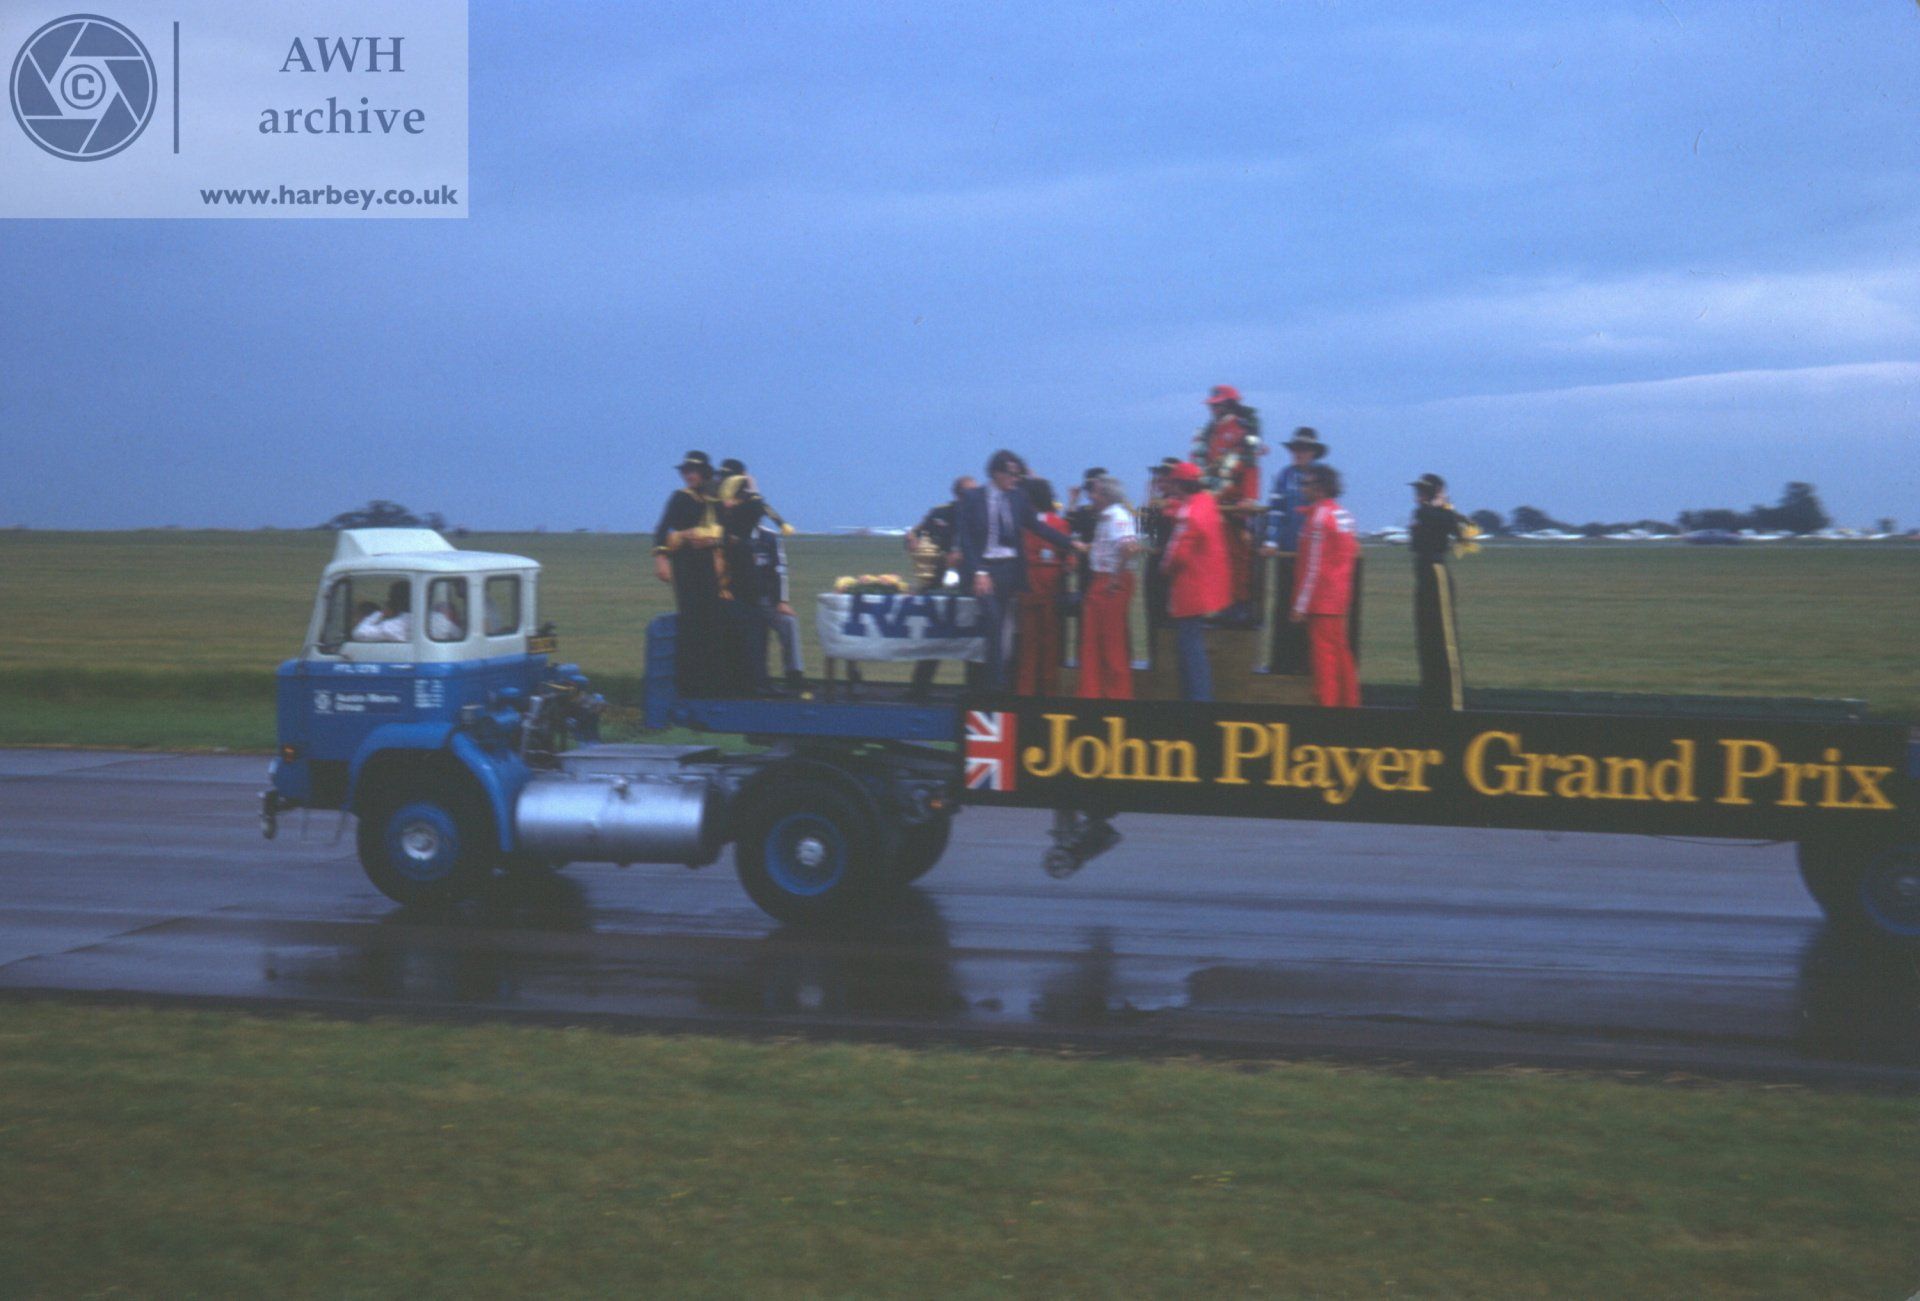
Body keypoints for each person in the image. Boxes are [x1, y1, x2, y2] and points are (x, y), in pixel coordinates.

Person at [956, 450, 1084, 691]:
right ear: (996, 473)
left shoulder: (1017, 498)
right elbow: (967, 540)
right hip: (985, 571)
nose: (1015, 479)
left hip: (1009, 570)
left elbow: (1037, 527)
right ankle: (994, 685)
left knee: (1001, 625)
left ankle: (996, 681)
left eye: (1018, 474)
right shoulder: (973, 498)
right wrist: (978, 572)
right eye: (1011, 474)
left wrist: (1068, 542)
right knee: (993, 621)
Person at [652, 450, 730, 695]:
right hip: (686, 563)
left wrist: (713, 541)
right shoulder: (679, 498)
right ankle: (689, 682)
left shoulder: (712, 500)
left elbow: (724, 530)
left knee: (712, 617)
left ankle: (713, 679)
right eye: (686, 472)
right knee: (691, 618)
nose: (689, 476)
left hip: (709, 562)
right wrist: (662, 558)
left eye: (694, 472)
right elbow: (662, 529)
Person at [1191, 385, 1266, 627]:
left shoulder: (1243, 431)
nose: (1214, 408)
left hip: (1234, 505)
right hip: (1213, 504)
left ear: (1230, 405)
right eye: (1213, 405)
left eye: (1218, 404)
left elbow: (1251, 466)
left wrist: (1249, 498)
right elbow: (1200, 465)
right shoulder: (1209, 433)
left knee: (1239, 556)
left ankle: (1240, 604)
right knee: (1216, 557)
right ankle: (1221, 604)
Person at [1258, 427, 1329, 673]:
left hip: (1313, 558)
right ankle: (1281, 662)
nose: (1299, 454)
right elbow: (1276, 511)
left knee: (1310, 610)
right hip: (1288, 555)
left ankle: (1306, 666)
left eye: (1304, 450)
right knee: (1284, 606)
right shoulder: (1284, 476)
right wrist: (1271, 541)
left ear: (1313, 453)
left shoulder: (1321, 479)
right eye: (1296, 449)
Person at [1290, 464, 1361, 708]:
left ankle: (1327, 710)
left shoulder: (1319, 519)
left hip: (1321, 602)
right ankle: (1349, 704)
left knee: (1324, 662)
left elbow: (1313, 567)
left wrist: (1300, 604)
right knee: (1341, 655)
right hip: (1338, 599)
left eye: (1306, 484)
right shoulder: (1344, 515)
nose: (1302, 488)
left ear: (1319, 488)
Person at [1159, 461, 1230, 701]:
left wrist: (1164, 568)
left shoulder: (1188, 514)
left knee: (1190, 648)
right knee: (1193, 643)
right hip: (1207, 584)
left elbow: (1176, 553)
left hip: (1189, 587)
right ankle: (1198, 697)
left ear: (1179, 484)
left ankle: (1198, 699)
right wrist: (1172, 508)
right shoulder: (1206, 502)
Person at [906, 475, 977, 699]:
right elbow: (915, 534)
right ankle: (919, 689)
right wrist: (911, 540)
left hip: (969, 585)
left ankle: (973, 691)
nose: (971, 498)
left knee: (971, 640)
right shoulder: (940, 513)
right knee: (932, 640)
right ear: (956, 494)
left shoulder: (982, 515)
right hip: (936, 583)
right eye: (966, 494)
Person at [1409, 472, 1467, 711]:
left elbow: (1462, 531)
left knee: (1445, 641)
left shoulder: (1441, 514)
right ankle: (1431, 699)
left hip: (1437, 573)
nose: (1418, 495)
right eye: (1418, 490)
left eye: (1424, 491)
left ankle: (1454, 703)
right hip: (1423, 575)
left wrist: (1443, 506)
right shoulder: (1424, 514)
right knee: (1427, 639)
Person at [1078, 474, 1139, 699]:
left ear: (1104, 495)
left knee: (1111, 643)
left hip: (1110, 581)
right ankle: (1094, 692)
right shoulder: (1107, 517)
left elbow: (1130, 547)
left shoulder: (1116, 516)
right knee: (1095, 642)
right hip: (1104, 578)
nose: (1090, 497)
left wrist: (1115, 577)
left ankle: (1116, 696)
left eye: (1093, 492)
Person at [1014, 478, 1070, 696]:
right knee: (1049, 645)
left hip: (1029, 589)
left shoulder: (1022, 524)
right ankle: (1048, 693)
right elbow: (1069, 559)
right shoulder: (1059, 523)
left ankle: (1025, 692)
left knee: (1028, 647)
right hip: (1050, 589)